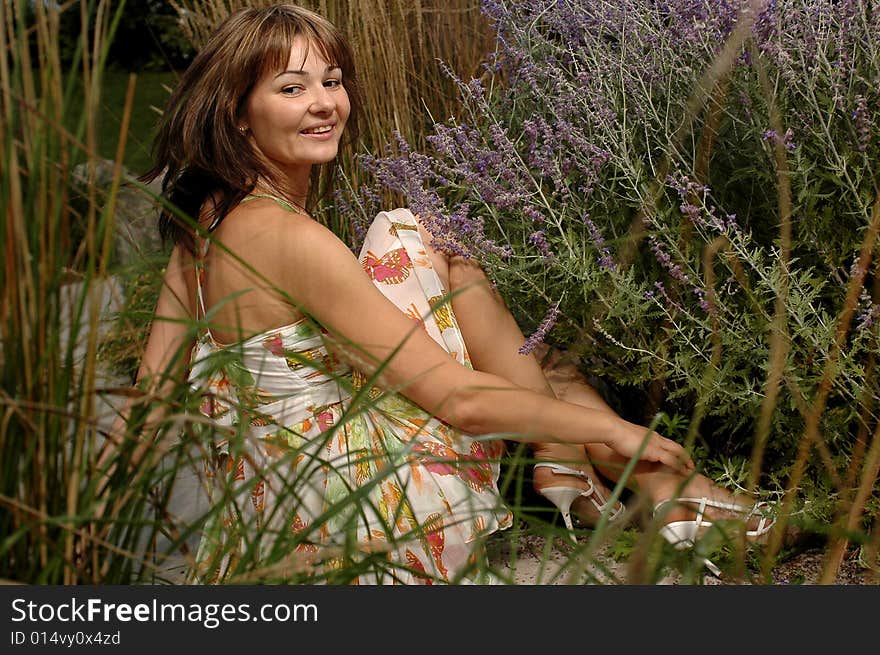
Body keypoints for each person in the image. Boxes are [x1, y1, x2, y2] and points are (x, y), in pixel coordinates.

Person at [111, 4, 772, 584]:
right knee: (428, 245)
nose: (325, 103)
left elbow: (152, 396)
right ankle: (617, 471)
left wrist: (89, 535)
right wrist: (614, 428)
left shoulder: (203, 222)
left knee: (448, 271)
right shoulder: (293, 242)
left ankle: (581, 465)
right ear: (239, 113)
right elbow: (461, 402)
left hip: (268, 522)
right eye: (292, 87)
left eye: (332, 81)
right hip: (372, 520)